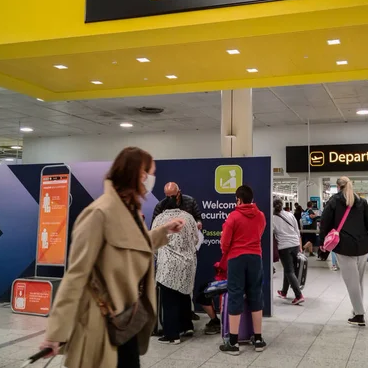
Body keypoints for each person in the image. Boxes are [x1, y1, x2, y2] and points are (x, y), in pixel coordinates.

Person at [40, 147, 185, 368]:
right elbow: (76, 275)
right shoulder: (98, 214)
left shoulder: (130, 211)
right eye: (150, 173)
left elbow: (132, 246)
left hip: (126, 320)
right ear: (138, 174)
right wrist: (55, 333)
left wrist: (163, 231)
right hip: (100, 323)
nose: (151, 179)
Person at [320, 176, 368, 327]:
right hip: (363, 247)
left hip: (344, 247)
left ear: (338, 187)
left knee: (351, 282)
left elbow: (324, 223)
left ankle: (359, 315)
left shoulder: (334, 201)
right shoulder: (362, 202)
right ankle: (357, 308)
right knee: (358, 281)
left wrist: (322, 242)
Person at [219, 185, 267, 355]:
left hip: (236, 258)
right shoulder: (260, 215)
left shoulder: (233, 217)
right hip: (255, 258)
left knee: (235, 295)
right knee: (256, 294)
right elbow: (260, 233)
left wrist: (228, 250)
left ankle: (233, 342)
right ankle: (258, 339)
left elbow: (225, 243)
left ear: (238, 199)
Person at [152, 197, 199, 344]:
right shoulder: (189, 217)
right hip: (188, 263)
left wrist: (158, 257)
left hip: (168, 265)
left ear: (164, 208)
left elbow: (154, 241)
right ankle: (187, 326)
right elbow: (196, 239)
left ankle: (172, 335)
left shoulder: (160, 218)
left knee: (169, 299)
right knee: (184, 294)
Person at [272, 198, 305, 305]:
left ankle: (298, 295)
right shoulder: (290, 214)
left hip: (284, 247)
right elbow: (297, 230)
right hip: (295, 244)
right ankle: (284, 291)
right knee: (290, 270)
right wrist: (300, 246)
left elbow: (272, 234)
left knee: (289, 271)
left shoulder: (273, 218)